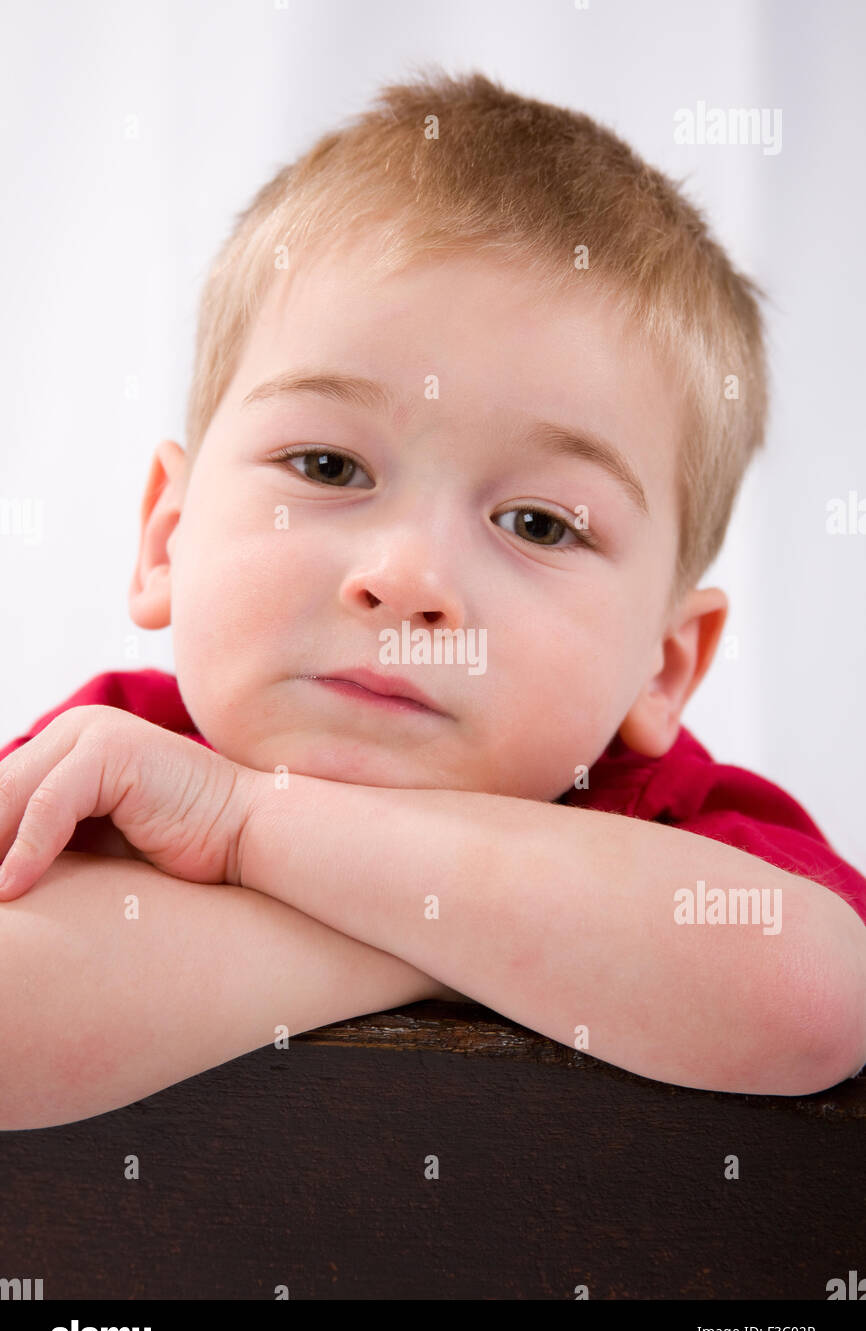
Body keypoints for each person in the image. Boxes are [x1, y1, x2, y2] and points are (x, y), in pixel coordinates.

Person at [2, 68, 864, 1130]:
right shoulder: (113, 758)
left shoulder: (676, 828)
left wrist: (244, 827)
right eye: (324, 465)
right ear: (166, 537)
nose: (406, 577)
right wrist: (478, 940)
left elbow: (814, 999)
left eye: (540, 524)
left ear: (664, 663)